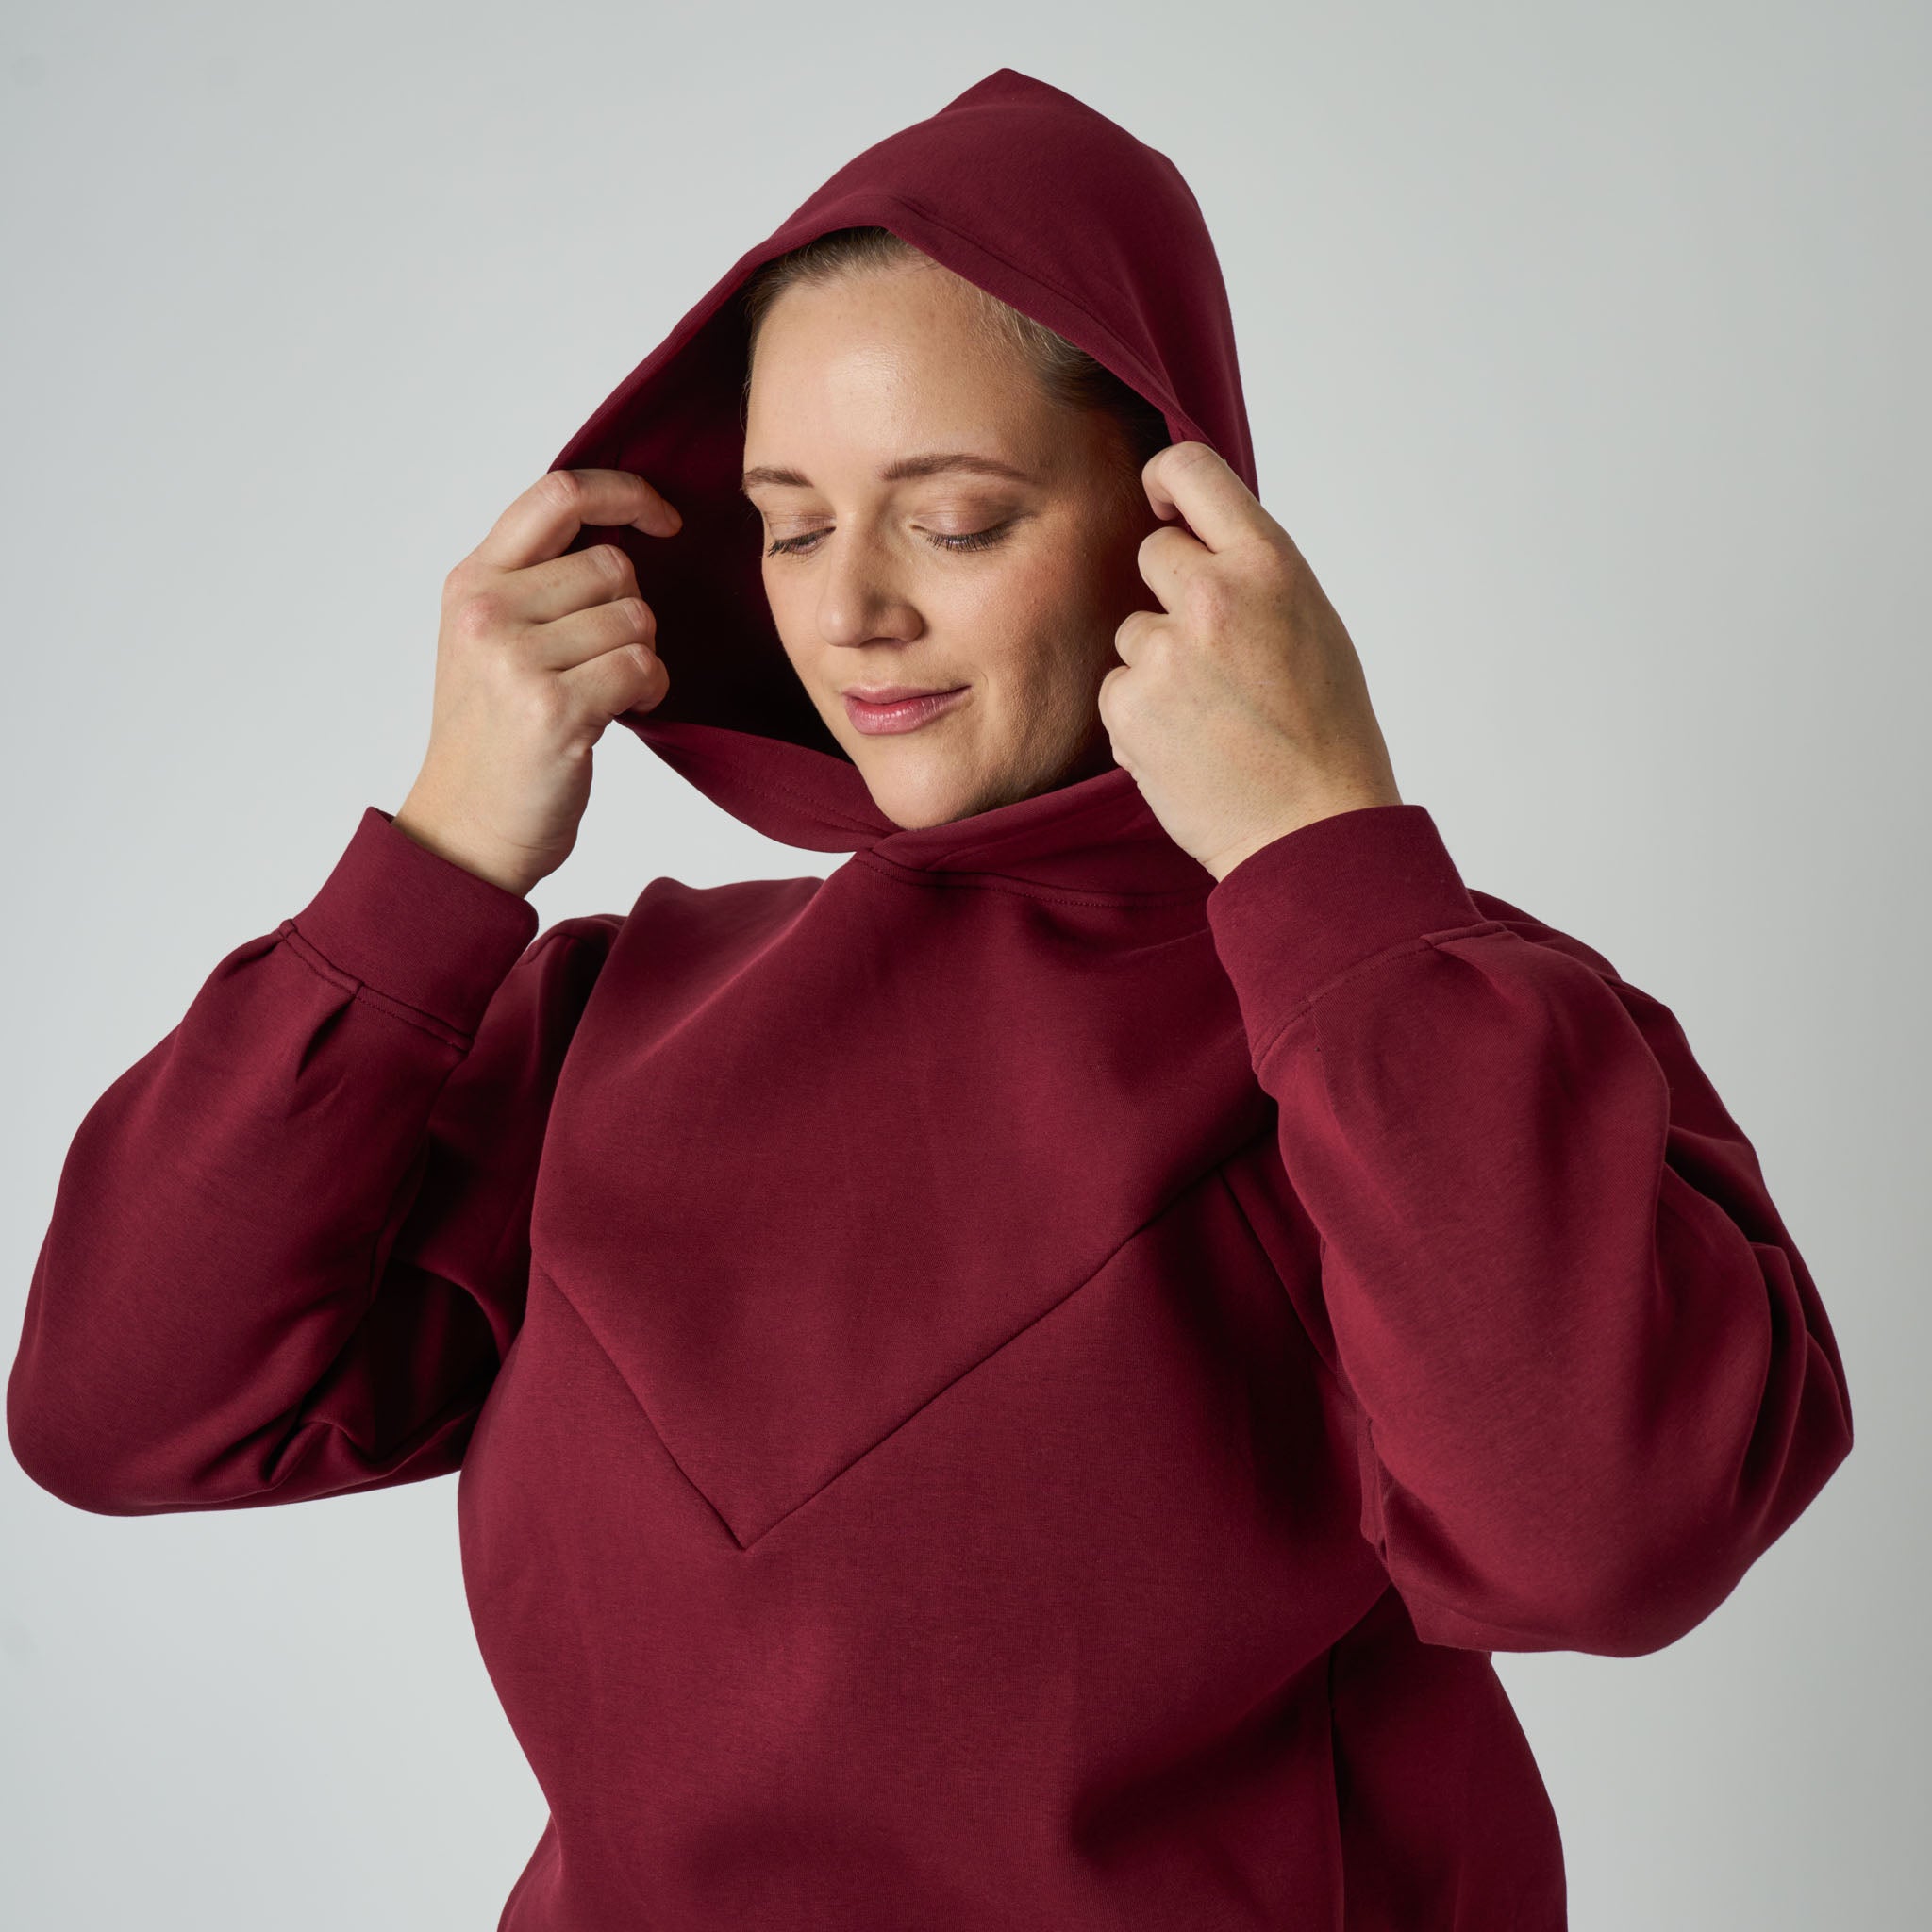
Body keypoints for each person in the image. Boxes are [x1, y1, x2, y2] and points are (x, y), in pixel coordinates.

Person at [7, 67, 1854, 1931]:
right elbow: (120, 1410)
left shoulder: (1416, 1019)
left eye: (953, 519)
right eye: (789, 524)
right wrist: (437, 864)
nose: (850, 613)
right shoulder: (611, 1016)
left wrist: (1324, 860)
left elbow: (1603, 1542)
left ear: (1180, 522)